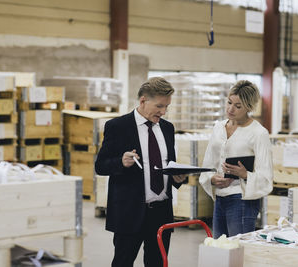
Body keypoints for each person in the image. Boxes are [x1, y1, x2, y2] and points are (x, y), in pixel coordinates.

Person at [95, 77, 187, 267]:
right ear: (143, 101)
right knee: (123, 262)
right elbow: (101, 165)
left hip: (161, 212)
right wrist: (121, 162)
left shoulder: (168, 129)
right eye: (160, 106)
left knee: (157, 263)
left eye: (167, 107)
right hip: (130, 212)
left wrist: (178, 178)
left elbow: (168, 164)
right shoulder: (118, 127)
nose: (163, 112)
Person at [199, 80, 273, 238]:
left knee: (239, 250)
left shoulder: (258, 133)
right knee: (221, 248)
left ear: (249, 107)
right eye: (229, 103)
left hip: (242, 200)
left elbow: (266, 176)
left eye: (238, 106)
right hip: (219, 198)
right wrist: (212, 178)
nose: (231, 109)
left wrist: (245, 174)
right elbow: (208, 163)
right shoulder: (218, 127)